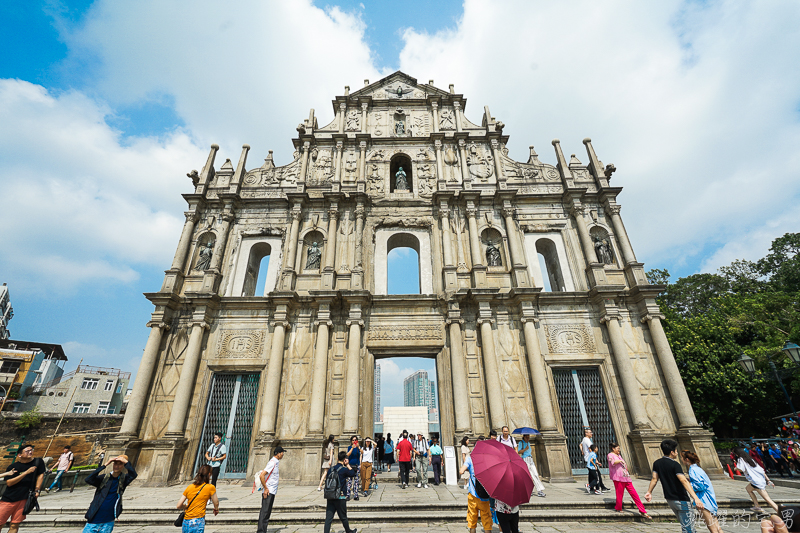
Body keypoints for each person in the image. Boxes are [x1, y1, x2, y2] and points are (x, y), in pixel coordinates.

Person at [645, 439, 705, 533]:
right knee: (688, 529)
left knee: (687, 526)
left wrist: (649, 492)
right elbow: (683, 481)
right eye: (676, 451)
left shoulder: (657, 463)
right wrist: (696, 498)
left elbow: (654, 479)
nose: (677, 453)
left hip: (670, 499)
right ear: (672, 452)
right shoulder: (675, 464)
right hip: (681, 499)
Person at [83, 454, 137, 533]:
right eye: (115, 463)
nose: (117, 466)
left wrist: (126, 462)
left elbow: (133, 475)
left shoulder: (123, 479)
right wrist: (105, 464)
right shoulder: (104, 478)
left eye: (120, 464)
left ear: (123, 466)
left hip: (109, 519)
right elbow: (88, 479)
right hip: (94, 516)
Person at [0, 444, 46, 533]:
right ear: (19, 455)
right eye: (27, 451)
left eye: (31, 450)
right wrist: (25, 473)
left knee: (14, 524)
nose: (30, 452)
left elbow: (41, 474)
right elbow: (9, 483)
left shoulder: (38, 462)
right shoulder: (13, 467)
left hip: (25, 499)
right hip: (9, 499)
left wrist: (37, 489)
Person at [682, 450, 721, 533]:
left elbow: (700, 486)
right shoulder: (698, 468)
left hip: (703, 501)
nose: (681, 459)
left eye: (682, 458)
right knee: (718, 528)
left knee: (713, 529)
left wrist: (688, 484)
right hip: (710, 499)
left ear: (687, 459)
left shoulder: (693, 470)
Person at [607, 443, 649, 518]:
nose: (619, 450)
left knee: (634, 493)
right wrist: (620, 461)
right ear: (613, 448)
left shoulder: (618, 455)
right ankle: (618, 507)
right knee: (619, 493)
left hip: (626, 477)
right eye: (618, 448)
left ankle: (642, 510)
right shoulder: (610, 455)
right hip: (618, 477)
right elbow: (613, 462)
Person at [734, 447, 778, 513]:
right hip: (759, 480)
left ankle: (781, 513)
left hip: (756, 482)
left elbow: (741, 469)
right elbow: (761, 470)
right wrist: (768, 480)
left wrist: (736, 469)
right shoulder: (750, 459)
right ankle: (756, 506)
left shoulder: (741, 459)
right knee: (748, 489)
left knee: (768, 499)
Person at [176, 465, 219, 533]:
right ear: (209, 474)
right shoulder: (210, 487)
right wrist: (216, 509)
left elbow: (178, 505)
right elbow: (216, 502)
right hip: (198, 520)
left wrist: (186, 506)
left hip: (186, 521)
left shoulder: (190, 487)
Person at [459, 446, 492, 533]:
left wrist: (470, 470)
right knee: (487, 520)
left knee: (472, 520)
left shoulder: (470, 459)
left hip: (473, 495)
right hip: (484, 496)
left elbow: (461, 471)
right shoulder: (488, 460)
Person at [323, 451, 358, 533]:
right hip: (340, 496)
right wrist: (348, 465)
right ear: (345, 459)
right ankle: (349, 531)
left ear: (337, 458)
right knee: (343, 517)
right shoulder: (344, 470)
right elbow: (353, 473)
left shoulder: (331, 469)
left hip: (330, 495)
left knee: (328, 518)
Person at [257, 446, 285, 533]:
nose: (283, 454)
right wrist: (265, 488)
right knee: (265, 512)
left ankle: (263, 530)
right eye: (282, 453)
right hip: (268, 491)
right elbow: (262, 475)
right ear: (278, 454)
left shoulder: (276, 462)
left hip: (272, 490)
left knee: (267, 512)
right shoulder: (272, 462)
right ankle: (261, 531)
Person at [581, 428, 593, 494]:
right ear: (586, 433)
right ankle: (589, 486)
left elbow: (580, 445)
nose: (591, 433)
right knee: (595, 474)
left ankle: (600, 487)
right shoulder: (587, 440)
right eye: (590, 432)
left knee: (592, 474)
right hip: (590, 459)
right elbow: (590, 448)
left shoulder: (584, 439)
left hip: (587, 458)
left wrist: (582, 452)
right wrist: (594, 457)